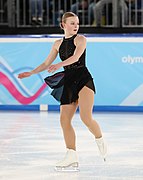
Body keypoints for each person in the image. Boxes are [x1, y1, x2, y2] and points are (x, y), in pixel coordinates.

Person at [18, 12, 107, 171]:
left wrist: (59, 66)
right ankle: (71, 155)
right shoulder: (57, 44)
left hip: (83, 79)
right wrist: (31, 73)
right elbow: (46, 63)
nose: (76, 26)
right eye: (72, 23)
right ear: (63, 25)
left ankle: (99, 139)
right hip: (68, 82)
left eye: (77, 23)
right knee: (64, 120)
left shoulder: (81, 39)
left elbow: (75, 57)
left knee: (86, 118)